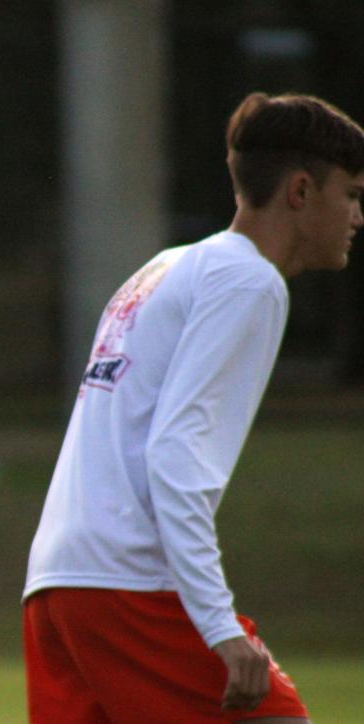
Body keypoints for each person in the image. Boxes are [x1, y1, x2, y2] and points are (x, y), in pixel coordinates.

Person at [22, 92, 364, 723]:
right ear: (300, 191)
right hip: (131, 584)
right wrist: (218, 624)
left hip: (57, 586)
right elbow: (176, 456)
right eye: (350, 193)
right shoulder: (249, 283)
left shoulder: (165, 268)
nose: (357, 215)